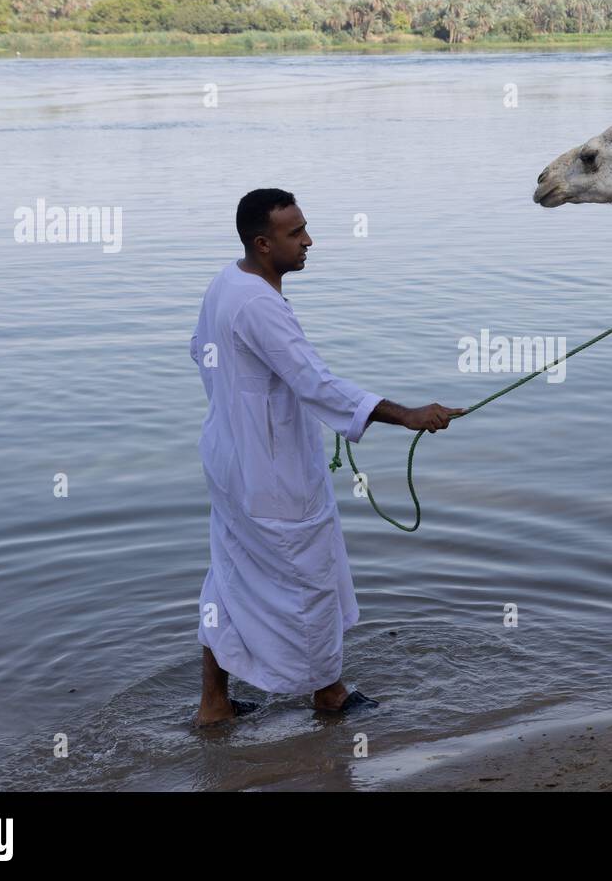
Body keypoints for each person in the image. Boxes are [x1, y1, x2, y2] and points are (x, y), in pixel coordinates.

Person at [191, 188, 463, 725]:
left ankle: (214, 703)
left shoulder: (227, 281)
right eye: (296, 234)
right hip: (272, 474)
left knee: (229, 574)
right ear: (264, 244)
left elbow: (200, 351)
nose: (309, 240)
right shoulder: (260, 304)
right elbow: (316, 383)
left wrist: (247, 403)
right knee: (308, 577)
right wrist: (407, 414)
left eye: (305, 227)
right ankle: (330, 695)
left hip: (227, 459)